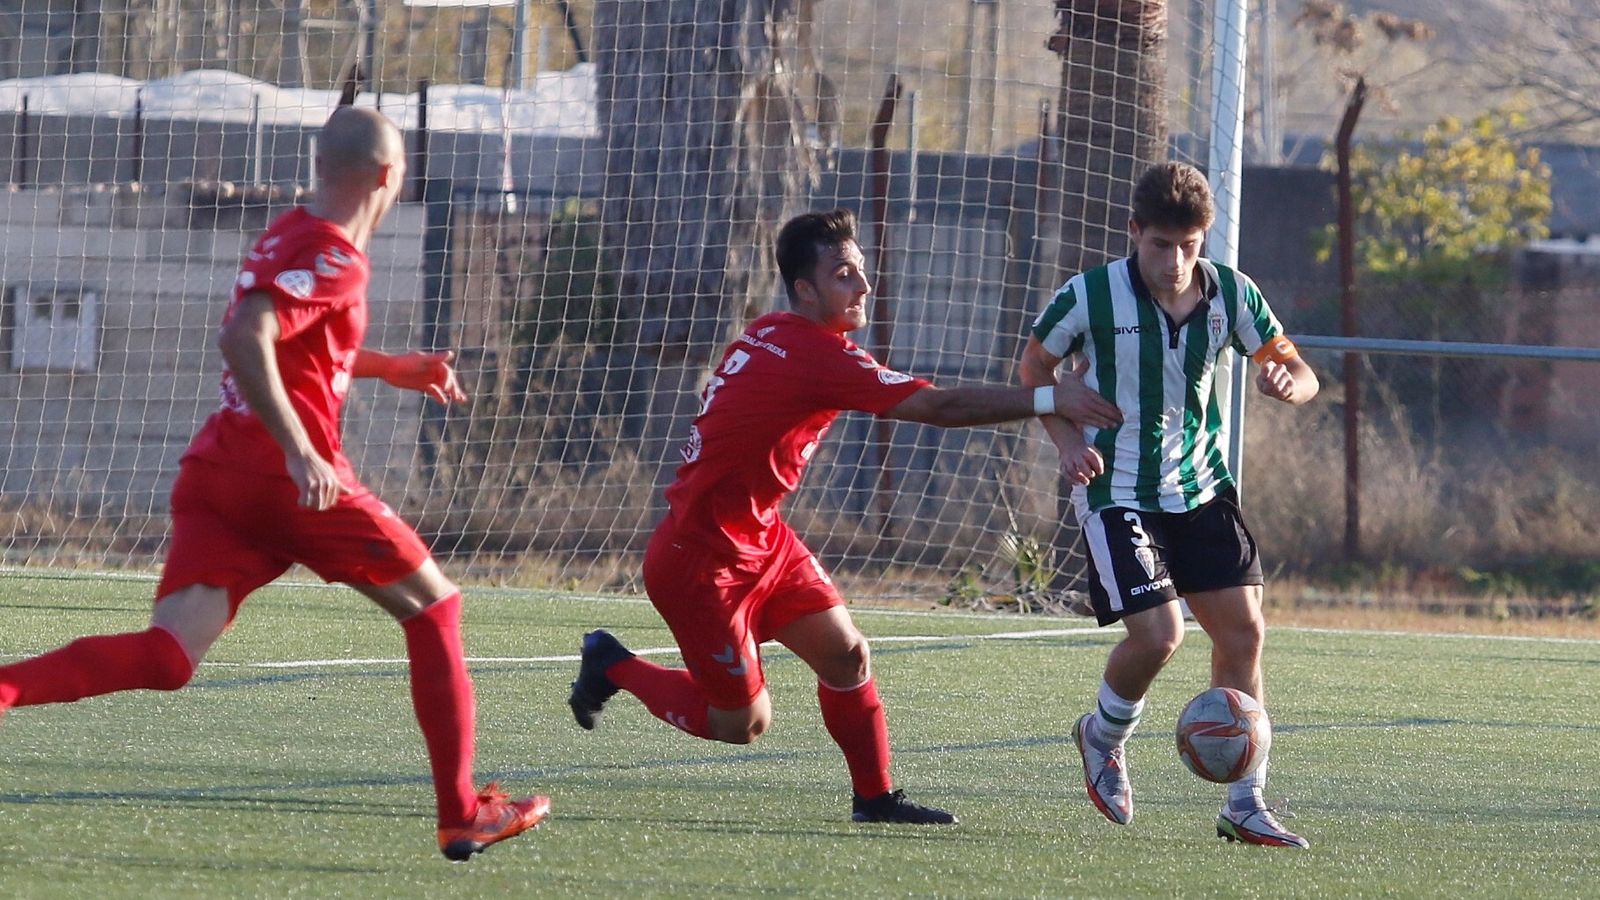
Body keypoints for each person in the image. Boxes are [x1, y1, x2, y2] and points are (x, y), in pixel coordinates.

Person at [0, 107, 548, 862]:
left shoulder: (291, 233)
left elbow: (298, 343)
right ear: (390, 178)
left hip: (218, 475)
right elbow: (245, 335)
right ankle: (462, 813)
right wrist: (299, 451)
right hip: (280, 479)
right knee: (437, 608)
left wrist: (391, 368)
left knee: (167, 657)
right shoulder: (333, 255)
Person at [566, 207, 1124, 825]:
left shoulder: (778, 330)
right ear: (805, 289)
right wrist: (1050, 396)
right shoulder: (813, 354)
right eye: (843, 275)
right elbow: (939, 408)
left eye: (861, 271)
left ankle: (875, 798)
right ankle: (613, 665)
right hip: (700, 562)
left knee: (846, 657)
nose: (862, 287)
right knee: (742, 723)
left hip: (761, 539)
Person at [1018, 161, 1320, 848]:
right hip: (1117, 489)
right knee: (1160, 636)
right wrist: (1064, 439)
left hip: (1202, 489)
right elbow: (1034, 367)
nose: (1177, 260)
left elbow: (1299, 370)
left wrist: (1286, 384)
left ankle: (1245, 802)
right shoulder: (1090, 295)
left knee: (1243, 634)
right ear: (1135, 232)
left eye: (1190, 245)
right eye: (1162, 244)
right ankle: (1101, 735)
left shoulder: (1234, 295)